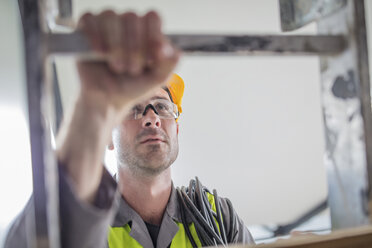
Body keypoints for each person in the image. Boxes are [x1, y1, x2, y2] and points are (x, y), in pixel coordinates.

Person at [5, 10, 255, 248]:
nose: (151, 119)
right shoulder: (89, 224)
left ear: (176, 129)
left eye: (162, 107)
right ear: (108, 138)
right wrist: (94, 106)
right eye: (133, 109)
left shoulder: (218, 217)